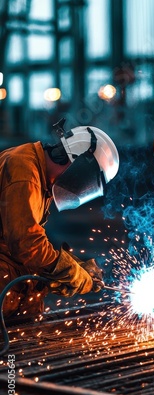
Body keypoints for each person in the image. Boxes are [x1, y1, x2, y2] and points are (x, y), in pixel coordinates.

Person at [0, 118, 119, 318]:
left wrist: (73, 266)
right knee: (16, 281)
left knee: (34, 282)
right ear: (74, 161)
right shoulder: (25, 172)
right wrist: (64, 269)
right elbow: (25, 243)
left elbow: (29, 243)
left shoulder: (37, 172)